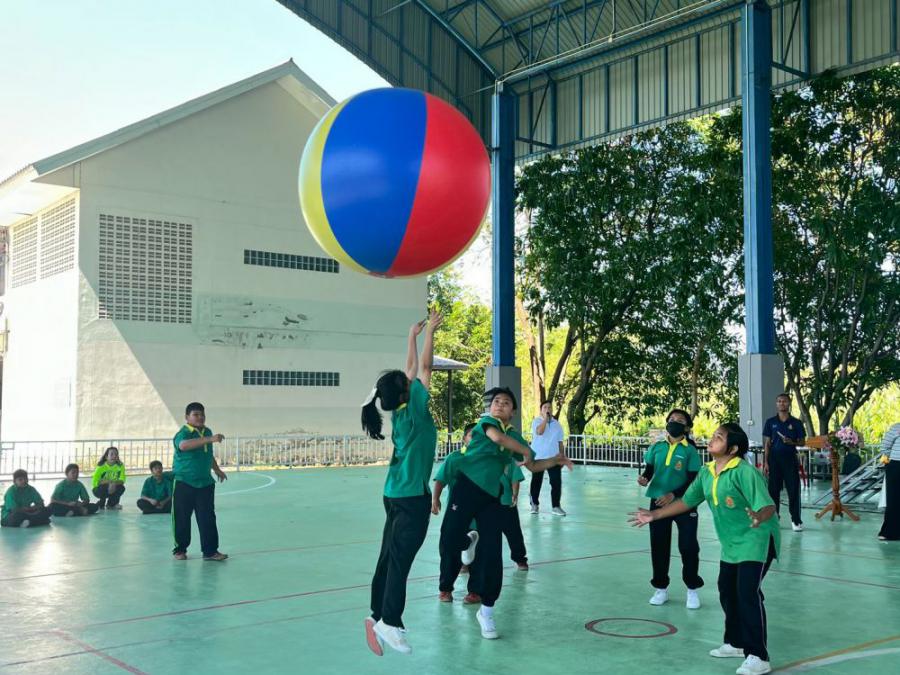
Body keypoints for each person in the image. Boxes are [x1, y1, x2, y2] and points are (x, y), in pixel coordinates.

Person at [630, 423, 780, 675]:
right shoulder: (707, 472)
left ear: (733, 448)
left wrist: (758, 517)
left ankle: (758, 656)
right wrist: (654, 515)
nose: (712, 439)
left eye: (719, 437)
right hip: (732, 542)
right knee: (727, 590)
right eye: (713, 435)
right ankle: (735, 643)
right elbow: (687, 501)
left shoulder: (745, 472)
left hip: (759, 539)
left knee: (747, 593)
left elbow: (768, 506)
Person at [438, 386, 572, 640]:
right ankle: (467, 542)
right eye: (496, 401)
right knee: (450, 540)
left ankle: (487, 611)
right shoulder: (486, 424)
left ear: (513, 412)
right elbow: (499, 440)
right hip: (466, 488)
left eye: (506, 402)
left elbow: (533, 466)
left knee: (492, 554)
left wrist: (555, 461)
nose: (500, 404)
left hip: (491, 498)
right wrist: (526, 451)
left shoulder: (515, 437)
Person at [362, 311, 442, 657]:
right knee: (401, 560)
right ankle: (390, 621)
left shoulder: (398, 410)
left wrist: (411, 335)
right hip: (410, 498)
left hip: (393, 493)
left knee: (388, 556)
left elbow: (410, 371)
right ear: (406, 391)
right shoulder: (417, 410)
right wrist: (430, 333)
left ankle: (377, 612)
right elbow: (424, 368)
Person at [638, 409, 703, 609]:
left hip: (684, 503)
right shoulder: (657, 447)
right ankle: (661, 588)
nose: (674, 422)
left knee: (688, 546)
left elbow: (693, 480)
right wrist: (645, 478)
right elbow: (650, 469)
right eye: (672, 419)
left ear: (687, 427)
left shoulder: (690, 450)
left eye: (680, 420)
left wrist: (673, 494)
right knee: (659, 545)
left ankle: (692, 588)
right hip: (658, 501)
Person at [172, 402, 228, 561]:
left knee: (207, 518)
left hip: (205, 483)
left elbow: (207, 454)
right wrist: (209, 439)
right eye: (196, 415)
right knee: (182, 518)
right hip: (184, 482)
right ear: (187, 417)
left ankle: (210, 551)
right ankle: (180, 549)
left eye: (202, 414)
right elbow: (183, 446)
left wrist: (217, 469)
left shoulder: (207, 431)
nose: (200, 417)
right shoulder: (183, 433)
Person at [763, 393, 806, 532]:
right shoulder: (770, 422)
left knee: (793, 490)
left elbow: (802, 442)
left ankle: (796, 520)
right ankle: (774, 518)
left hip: (790, 459)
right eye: (779, 401)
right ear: (776, 404)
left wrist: (791, 442)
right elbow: (767, 443)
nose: (782, 403)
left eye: (785, 401)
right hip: (774, 459)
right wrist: (766, 462)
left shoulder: (796, 423)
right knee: (773, 491)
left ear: (789, 403)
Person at [530, 400, 567, 515]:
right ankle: (534, 504)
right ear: (541, 410)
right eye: (545, 407)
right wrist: (545, 419)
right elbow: (539, 432)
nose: (547, 409)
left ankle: (556, 506)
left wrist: (562, 457)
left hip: (553, 458)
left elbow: (560, 442)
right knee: (536, 481)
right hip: (539, 457)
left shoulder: (557, 425)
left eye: (549, 407)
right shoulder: (536, 421)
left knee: (556, 482)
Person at [878, 422, 900, 541]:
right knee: (893, 499)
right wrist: (888, 464)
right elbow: (885, 447)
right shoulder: (896, 427)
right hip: (895, 466)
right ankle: (889, 532)